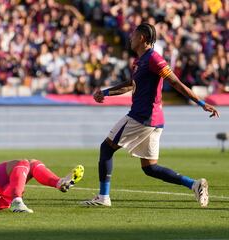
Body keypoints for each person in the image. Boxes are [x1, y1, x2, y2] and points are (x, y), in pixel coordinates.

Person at [82, 23, 219, 208]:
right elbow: (131, 84)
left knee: (106, 148)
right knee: (150, 168)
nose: (130, 37)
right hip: (153, 120)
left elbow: (176, 83)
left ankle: (103, 197)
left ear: (142, 38)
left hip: (141, 117)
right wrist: (106, 93)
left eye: (133, 35)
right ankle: (194, 184)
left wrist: (201, 103)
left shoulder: (154, 59)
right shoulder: (139, 61)